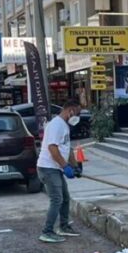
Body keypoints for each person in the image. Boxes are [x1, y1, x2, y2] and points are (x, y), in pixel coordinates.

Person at [37, 98, 84, 243]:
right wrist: (65, 166)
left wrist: (75, 166)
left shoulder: (64, 125)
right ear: (70, 110)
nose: (78, 116)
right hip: (48, 168)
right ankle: (47, 231)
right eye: (77, 112)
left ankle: (64, 226)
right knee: (57, 199)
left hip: (55, 169)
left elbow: (67, 149)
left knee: (65, 197)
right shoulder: (56, 125)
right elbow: (53, 149)